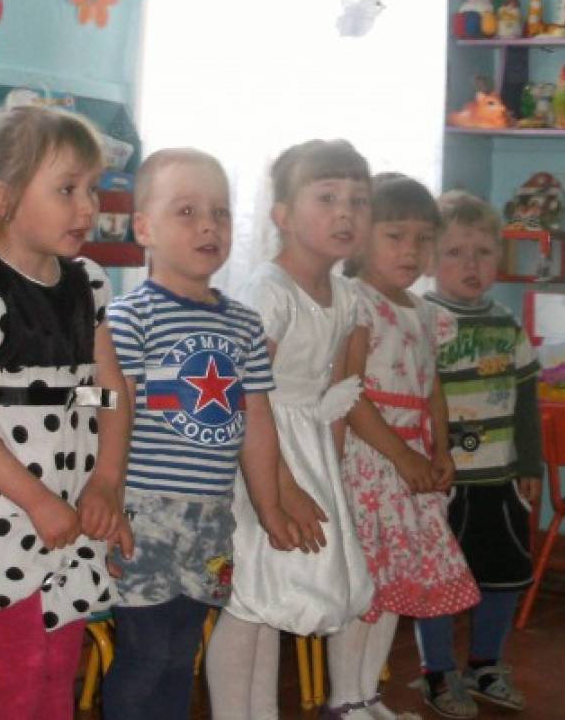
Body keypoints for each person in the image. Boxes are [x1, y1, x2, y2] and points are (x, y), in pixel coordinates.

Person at [0, 105, 133, 720]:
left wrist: (107, 481)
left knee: (60, 668)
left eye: (92, 188)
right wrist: (38, 501)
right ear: (2, 198)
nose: (87, 207)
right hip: (1, 514)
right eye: (67, 190)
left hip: (73, 506)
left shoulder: (88, 284)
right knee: (23, 670)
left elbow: (105, 392)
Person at [102, 148, 303, 720]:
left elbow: (256, 420)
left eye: (220, 212)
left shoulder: (243, 323)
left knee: (180, 655)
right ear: (145, 228)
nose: (209, 225)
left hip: (211, 519)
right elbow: (109, 410)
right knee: (144, 654)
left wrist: (270, 504)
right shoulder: (128, 317)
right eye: (187, 211)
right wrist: (107, 498)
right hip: (142, 515)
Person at [205, 140, 377, 720]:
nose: (346, 212)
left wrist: (328, 476)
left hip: (307, 453)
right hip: (260, 456)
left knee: (274, 597)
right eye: (327, 198)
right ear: (283, 215)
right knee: (249, 597)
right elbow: (243, 398)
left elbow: (334, 399)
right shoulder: (270, 292)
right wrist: (277, 486)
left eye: (358, 201)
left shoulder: (346, 296)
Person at [331, 173, 480, 720]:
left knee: (395, 587)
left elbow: (431, 387)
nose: (411, 251)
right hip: (372, 463)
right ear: (360, 237)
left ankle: (368, 697)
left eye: (423, 238)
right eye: (395, 236)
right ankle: (344, 701)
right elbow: (349, 394)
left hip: (412, 464)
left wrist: (441, 451)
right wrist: (401, 455)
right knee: (365, 591)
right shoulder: (355, 302)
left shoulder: (425, 312)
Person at [413, 190, 541, 718]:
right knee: (438, 579)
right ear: (429, 259)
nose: (471, 265)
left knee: (503, 576)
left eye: (483, 253)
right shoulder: (421, 319)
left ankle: (486, 664)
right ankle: (437, 672)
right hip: (444, 482)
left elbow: (527, 400)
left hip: (500, 479)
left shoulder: (507, 324)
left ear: (499, 258)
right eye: (455, 253)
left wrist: (530, 464)